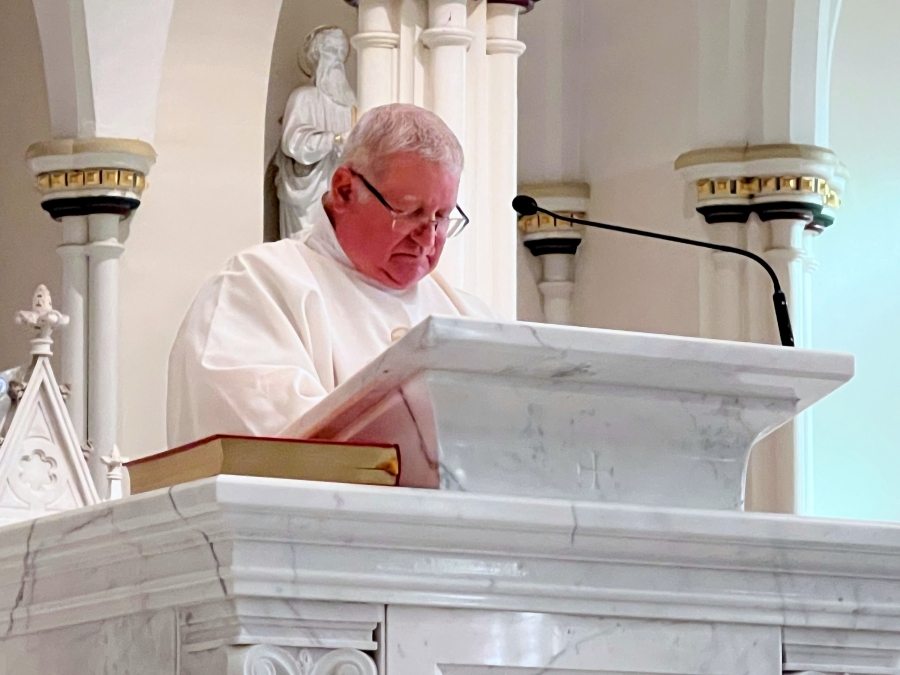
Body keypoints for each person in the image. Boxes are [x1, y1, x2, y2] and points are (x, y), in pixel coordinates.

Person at [167, 103, 492, 446]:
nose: (428, 239)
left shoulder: (466, 315)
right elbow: (278, 444)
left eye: (441, 218)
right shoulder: (256, 287)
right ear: (344, 190)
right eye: (410, 213)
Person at [275, 26, 356, 238]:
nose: (337, 57)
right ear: (316, 55)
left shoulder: (351, 108)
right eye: (331, 50)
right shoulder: (304, 97)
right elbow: (293, 142)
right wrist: (334, 140)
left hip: (340, 191)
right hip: (310, 191)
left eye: (341, 51)